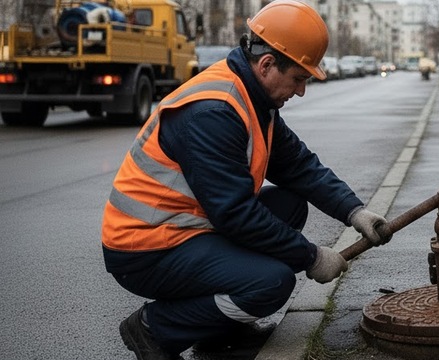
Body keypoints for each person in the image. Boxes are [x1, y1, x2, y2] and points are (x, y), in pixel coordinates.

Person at [100, 1, 391, 358]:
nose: (301, 90)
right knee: (271, 284)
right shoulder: (214, 111)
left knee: (288, 205)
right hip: (146, 247)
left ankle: (220, 327)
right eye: (299, 78)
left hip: (185, 229)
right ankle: (154, 328)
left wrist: (354, 211)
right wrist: (311, 256)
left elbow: (298, 166)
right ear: (267, 64)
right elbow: (236, 215)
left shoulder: (254, 97)